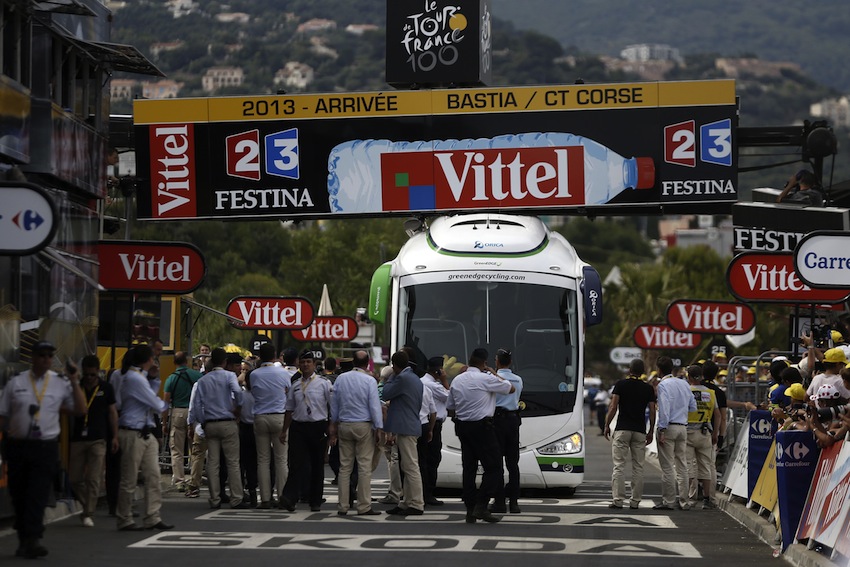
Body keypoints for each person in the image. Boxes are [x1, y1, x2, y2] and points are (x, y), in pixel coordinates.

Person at [0, 341, 86, 558]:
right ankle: (24, 538)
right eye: (42, 355)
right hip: (18, 445)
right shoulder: (16, 382)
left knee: (37, 493)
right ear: (33, 357)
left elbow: (80, 409)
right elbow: (3, 414)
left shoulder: (59, 383)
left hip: (45, 446)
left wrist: (75, 380)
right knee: (19, 494)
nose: (46, 359)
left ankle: (33, 539)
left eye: (50, 355)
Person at [447, 347, 515, 523]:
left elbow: (451, 406)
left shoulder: (457, 380)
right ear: (484, 363)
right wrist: (494, 373)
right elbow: (510, 388)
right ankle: (481, 505)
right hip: (483, 428)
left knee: (469, 469)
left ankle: (470, 510)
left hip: (463, 428)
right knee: (494, 468)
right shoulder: (486, 378)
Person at [115, 344, 173, 531]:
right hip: (133, 431)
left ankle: (152, 516)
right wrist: (164, 404)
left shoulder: (138, 376)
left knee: (153, 476)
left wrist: (154, 378)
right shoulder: (134, 378)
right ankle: (125, 518)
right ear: (148, 359)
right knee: (129, 478)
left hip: (143, 431)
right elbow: (155, 403)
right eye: (153, 357)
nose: (155, 360)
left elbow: (151, 396)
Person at [190, 349, 247, 510]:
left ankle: (214, 498)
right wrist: (238, 408)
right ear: (224, 361)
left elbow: (197, 405)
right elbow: (237, 392)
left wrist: (203, 421)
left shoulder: (203, 380)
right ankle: (236, 497)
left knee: (213, 463)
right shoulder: (229, 376)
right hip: (227, 422)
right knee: (233, 462)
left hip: (210, 423)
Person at [329, 350, 383, 516]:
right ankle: (363, 506)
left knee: (345, 467)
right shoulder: (369, 380)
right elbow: (374, 406)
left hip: (344, 424)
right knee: (364, 467)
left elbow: (334, 403)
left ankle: (343, 506)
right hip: (363, 425)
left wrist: (334, 424)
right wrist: (378, 427)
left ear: (353, 362)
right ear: (367, 363)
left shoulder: (341, 379)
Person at [279, 350, 333, 512]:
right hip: (299, 427)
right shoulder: (295, 385)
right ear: (299, 365)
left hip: (318, 426)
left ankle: (315, 500)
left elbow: (332, 406)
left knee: (317, 465)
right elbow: (289, 409)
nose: (305, 365)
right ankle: (289, 498)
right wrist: (284, 430)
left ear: (314, 365)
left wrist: (332, 426)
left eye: (308, 362)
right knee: (297, 464)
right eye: (302, 362)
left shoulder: (324, 383)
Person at [69, 354, 118, 528]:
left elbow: (112, 412)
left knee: (94, 477)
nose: (89, 378)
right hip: (77, 438)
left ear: (98, 372)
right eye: (86, 374)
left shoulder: (106, 388)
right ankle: (86, 505)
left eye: (92, 375)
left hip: (99, 438)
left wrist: (114, 436)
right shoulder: (77, 386)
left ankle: (88, 512)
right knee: (74, 478)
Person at [604, 358, 656, 510]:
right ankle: (635, 501)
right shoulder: (648, 388)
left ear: (629, 370)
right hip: (639, 430)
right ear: (642, 372)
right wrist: (651, 430)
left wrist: (607, 425)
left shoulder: (621, 385)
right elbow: (652, 411)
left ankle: (618, 500)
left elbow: (613, 406)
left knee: (619, 466)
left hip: (623, 429)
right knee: (638, 467)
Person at [383, 350, 426, 516]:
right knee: (407, 465)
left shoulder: (402, 378)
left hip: (406, 426)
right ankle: (407, 501)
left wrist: (391, 376)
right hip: (411, 424)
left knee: (410, 466)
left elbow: (386, 392)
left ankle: (416, 502)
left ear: (394, 366)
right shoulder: (415, 378)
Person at [250, 343, 291, 508]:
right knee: (281, 460)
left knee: (263, 460)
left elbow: (253, 391)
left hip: (260, 417)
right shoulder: (283, 372)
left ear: (260, 356)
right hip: (279, 417)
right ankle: (283, 496)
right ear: (274, 355)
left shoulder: (254, 374)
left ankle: (265, 498)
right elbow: (288, 391)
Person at [654, 355, 696, 511]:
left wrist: (662, 429)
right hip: (682, 427)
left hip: (669, 426)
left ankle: (669, 501)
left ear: (658, 370)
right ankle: (684, 501)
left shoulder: (663, 385)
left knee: (667, 466)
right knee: (682, 465)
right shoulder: (684, 384)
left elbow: (664, 408)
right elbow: (693, 406)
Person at [490, 348, 524, 514]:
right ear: (510, 362)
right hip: (513, 420)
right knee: (513, 464)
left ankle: (499, 502)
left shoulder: (492, 378)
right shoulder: (518, 380)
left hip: (497, 420)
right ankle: (515, 502)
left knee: (497, 463)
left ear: (497, 361)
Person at [162, 352, 201, 490]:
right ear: (187, 361)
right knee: (195, 448)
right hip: (194, 413)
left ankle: (179, 481)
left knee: (176, 449)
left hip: (177, 413)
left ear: (175, 362)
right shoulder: (197, 376)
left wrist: (165, 422)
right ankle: (194, 479)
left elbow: (166, 402)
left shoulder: (171, 379)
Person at [685, 365, 720, 510]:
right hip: (705, 431)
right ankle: (707, 499)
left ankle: (686, 497)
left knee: (688, 466)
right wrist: (715, 433)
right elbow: (717, 414)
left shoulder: (686, 391)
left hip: (687, 431)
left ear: (689, 377)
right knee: (705, 466)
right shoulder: (711, 393)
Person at [420, 356, 450, 507]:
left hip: (422, 423)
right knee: (432, 459)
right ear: (438, 370)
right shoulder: (435, 386)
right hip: (433, 424)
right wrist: (444, 380)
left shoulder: (422, 381)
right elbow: (451, 398)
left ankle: (422, 492)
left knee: (423, 459)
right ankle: (428, 493)